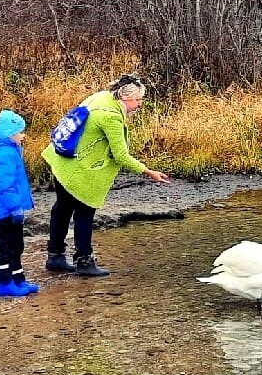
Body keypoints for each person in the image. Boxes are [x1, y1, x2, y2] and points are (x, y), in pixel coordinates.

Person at [43, 73, 171, 276]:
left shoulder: (102, 96)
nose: (139, 104)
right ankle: (84, 262)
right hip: (77, 170)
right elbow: (120, 155)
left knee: (62, 209)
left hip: (61, 160)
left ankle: (55, 257)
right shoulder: (111, 116)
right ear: (125, 98)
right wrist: (148, 172)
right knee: (85, 211)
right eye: (137, 100)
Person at [0, 109, 38, 297]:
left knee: (16, 245)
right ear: (10, 134)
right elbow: (5, 185)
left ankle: (18, 280)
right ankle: (3, 283)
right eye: (20, 132)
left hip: (10, 209)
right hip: (6, 211)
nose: (23, 135)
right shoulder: (4, 154)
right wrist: (15, 207)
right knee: (6, 246)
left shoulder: (9, 150)